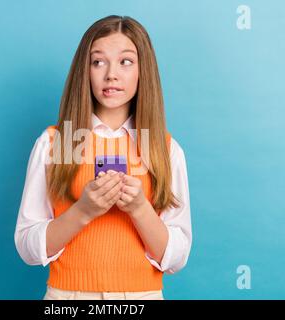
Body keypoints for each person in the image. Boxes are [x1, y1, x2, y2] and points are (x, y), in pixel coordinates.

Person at [14, 15, 192, 300]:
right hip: (68, 297)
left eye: (126, 61)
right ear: (84, 71)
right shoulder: (62, 142)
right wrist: (84, 210)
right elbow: (28, 248)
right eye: (98, 62)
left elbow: (176, 258)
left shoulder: (162, 148)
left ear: (142, 71)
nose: (111, 74)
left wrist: (139, 208)